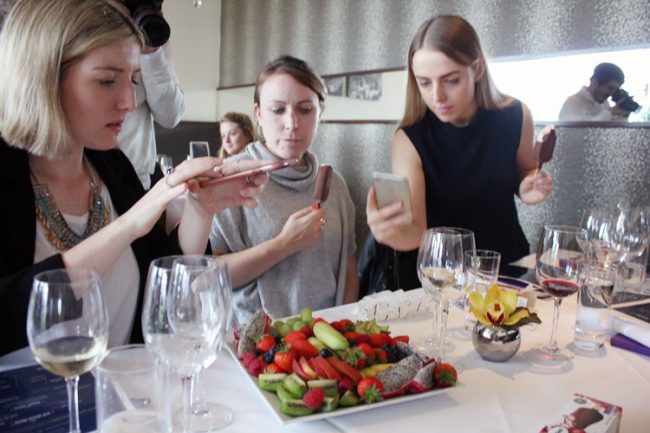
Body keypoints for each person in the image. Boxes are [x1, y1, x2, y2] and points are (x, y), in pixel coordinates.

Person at [0, 0, 268, 357]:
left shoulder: (112, 166)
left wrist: (202, 210)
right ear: (43, 77)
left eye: (133, 80)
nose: (128, 101)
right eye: (107, 80)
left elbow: (163, 294)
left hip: (123, 401)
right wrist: (129, 224)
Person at [365, 15, 553, 289]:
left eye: (450, 80)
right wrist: (389, 232)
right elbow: (417, 230)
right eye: (425, 83)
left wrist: (528, 186)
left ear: (477, 70)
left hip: (504, 268)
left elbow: (523, 171)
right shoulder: (409, 138)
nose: (437, 96)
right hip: (442, 278)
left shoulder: (516, 114)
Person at [210, 55, 358, 325]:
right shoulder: (229, 179)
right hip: (255, 350)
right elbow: (210, 276)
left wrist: (342, 330)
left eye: (305, 109)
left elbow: (348, 268)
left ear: (320, 112)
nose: (292, 124)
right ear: (258, 114)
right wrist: (283, 245)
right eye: (278, 110)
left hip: (325, 345)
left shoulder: (334, 185)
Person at [118, 40, 185, 190]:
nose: (131, 103)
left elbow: (170, 117)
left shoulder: (153, 35)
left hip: (138, 178)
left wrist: (152, 53)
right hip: (86, 170)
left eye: (135, 81)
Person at [558, 63, 629, 121]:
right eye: (610, 88)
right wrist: (609, 113)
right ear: (594, 82)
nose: (611, 94)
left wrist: (623, 116)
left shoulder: (604, 104)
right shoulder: (572, 103)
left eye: (615, 90)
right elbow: (582, 132)